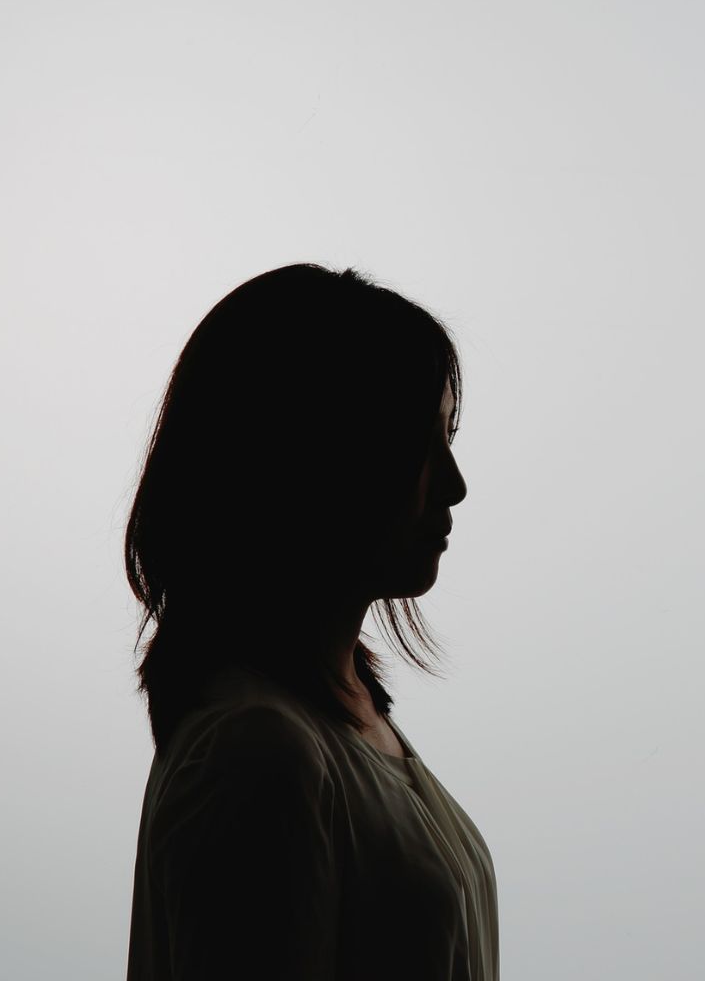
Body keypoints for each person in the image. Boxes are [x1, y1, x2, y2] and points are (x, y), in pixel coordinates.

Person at [123, 264, 492, 980]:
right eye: (420, 441)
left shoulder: (328, 728)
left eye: (447, 437)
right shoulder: (258, 753)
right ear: (323, 452)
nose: (454, 484)